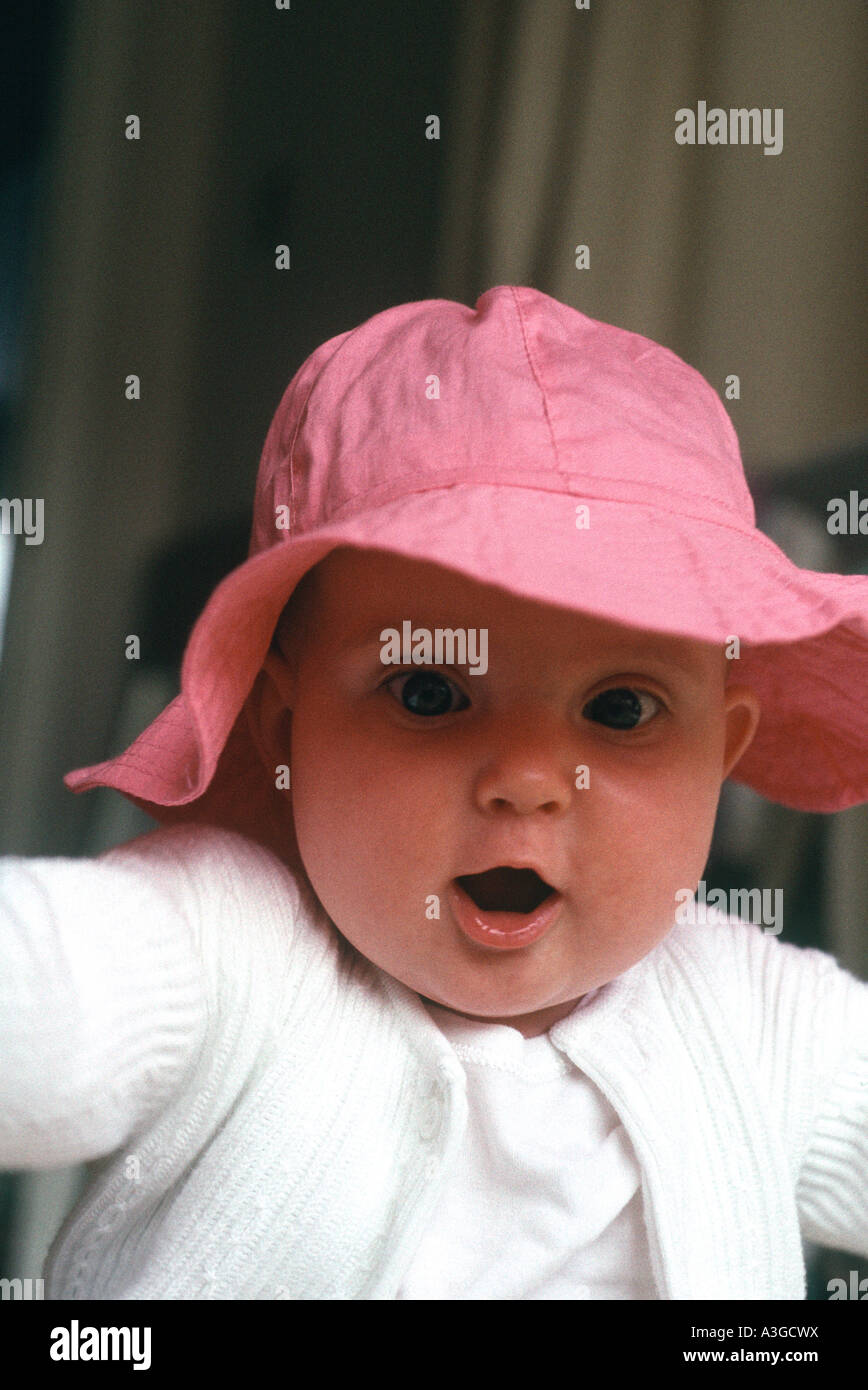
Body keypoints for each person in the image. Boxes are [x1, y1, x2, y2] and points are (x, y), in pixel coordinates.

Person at [2, 286, 867, 1299]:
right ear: (287, 732)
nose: (529, 782)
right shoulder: (230, 949)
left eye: (622, 710)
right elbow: (46, 979)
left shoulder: (761, 1027)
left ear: (720, 757)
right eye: (429, 691)